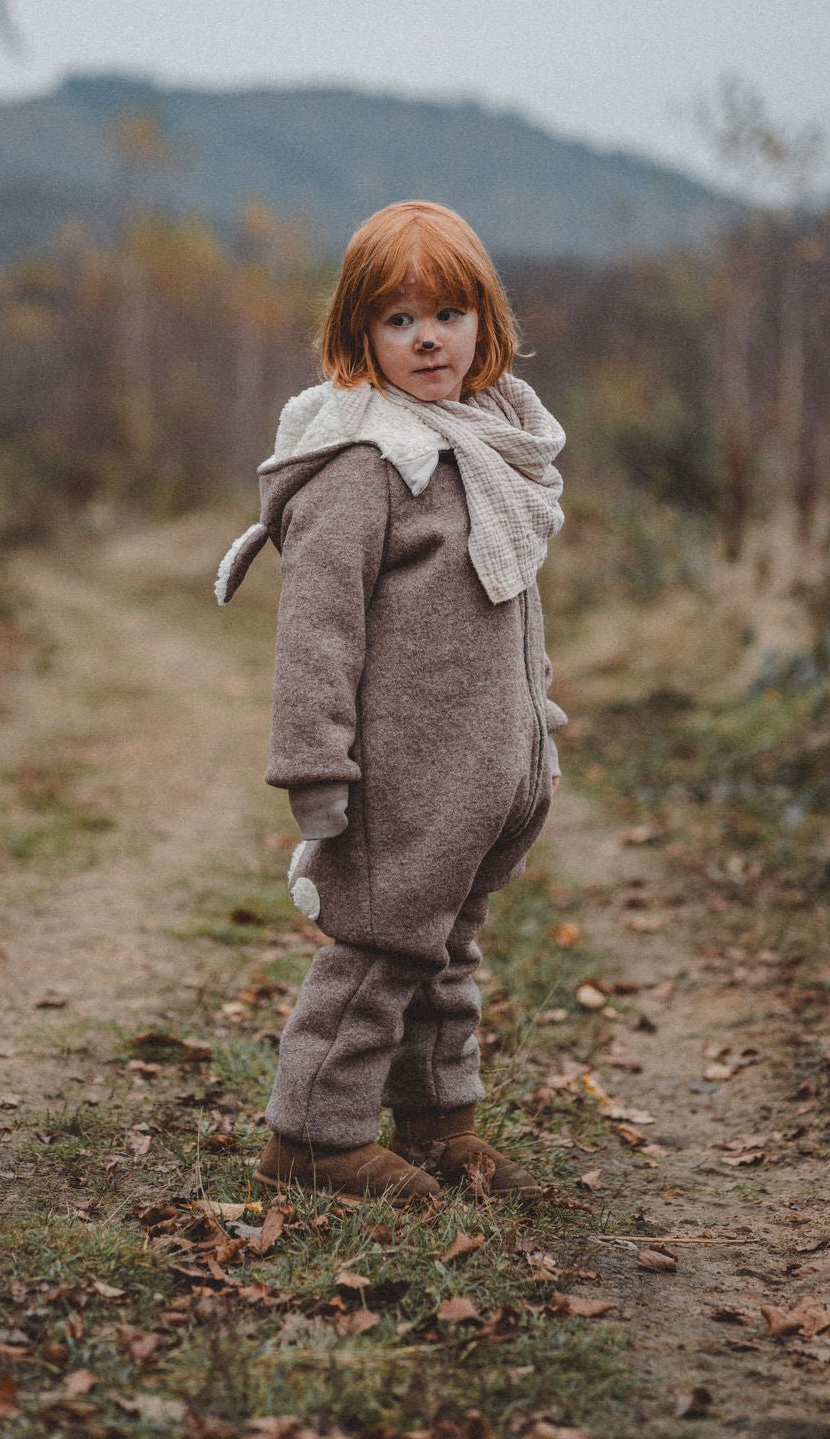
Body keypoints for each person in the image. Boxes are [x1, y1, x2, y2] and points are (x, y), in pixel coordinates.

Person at [215, 200, 566, 1204]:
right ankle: (312, 1137)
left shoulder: (487, 447)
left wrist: (531, 718)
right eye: (399, 319)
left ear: (481, 323)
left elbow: (508, 606)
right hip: (397, 776)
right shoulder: (365, 463)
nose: (427, 338)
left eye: (448, 313)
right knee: (378, 950)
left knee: (446, 951)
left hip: (480, 774)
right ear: (360, 335)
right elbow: (315, 632)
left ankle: (438, 1123)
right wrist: (313, 765)